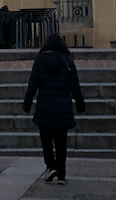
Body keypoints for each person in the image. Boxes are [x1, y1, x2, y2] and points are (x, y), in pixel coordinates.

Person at [22, 33, 85, 185]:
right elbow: (75, 86)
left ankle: (51, 166)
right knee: (61, 142)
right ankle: (62, 174)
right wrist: (80, 104)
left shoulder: (40, 61)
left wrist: (27, 104)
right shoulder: (68, 61)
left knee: (46, 140)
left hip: (45, 106)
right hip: (62, 107)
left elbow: (33, 85)